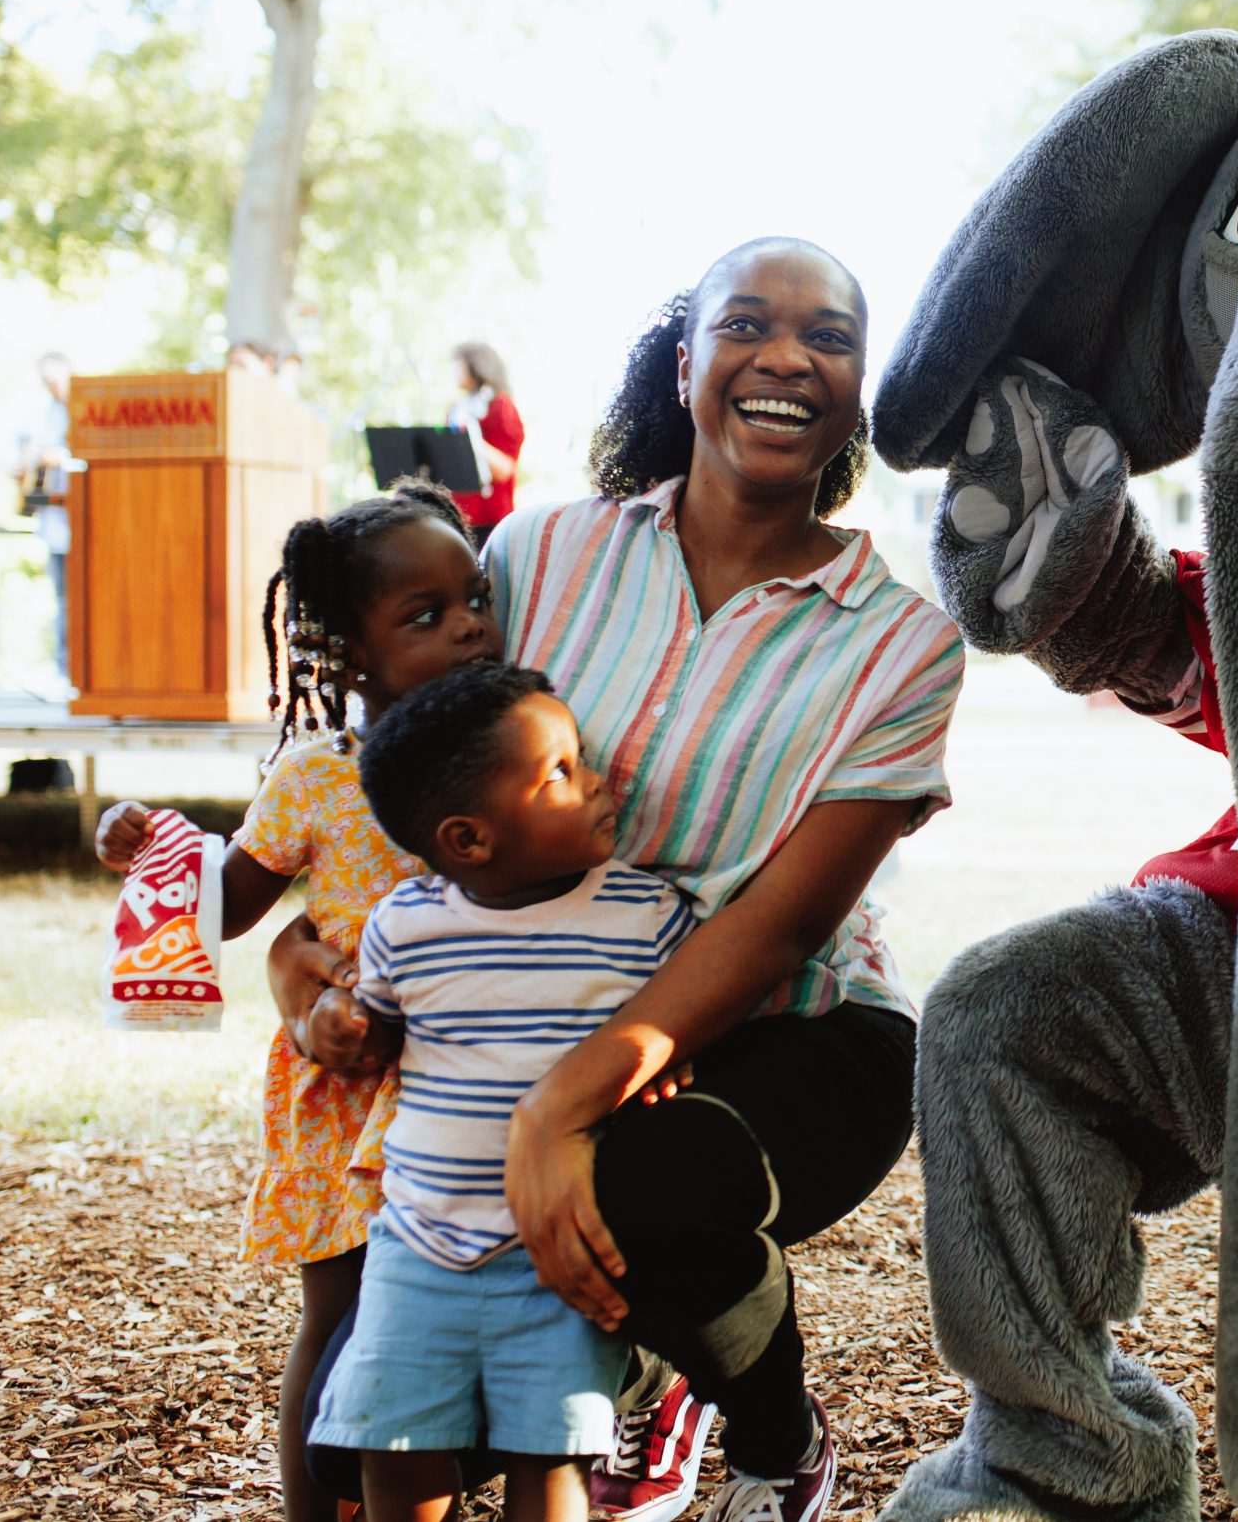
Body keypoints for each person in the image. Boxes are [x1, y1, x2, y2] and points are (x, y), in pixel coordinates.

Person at [274, 238, 964, 1522]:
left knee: (650, 1186)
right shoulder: (535, 560)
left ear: (860, 387)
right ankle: (638, 1357)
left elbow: (784, 923)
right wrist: (298, 959)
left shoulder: (904, 642)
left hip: (795, 1031)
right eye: (745, 323)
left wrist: (556, 1113)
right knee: (353, 1460)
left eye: (829, 337)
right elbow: (412, 788)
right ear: (685, 361)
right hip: (534, 1000)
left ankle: (771, 1435)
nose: (784, 356)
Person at [95, 480, 502, 1522]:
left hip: (469, 1084)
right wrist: (152, 843)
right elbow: (232, 905)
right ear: (352, 656)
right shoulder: (319, 775)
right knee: (339, 1318)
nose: (467, 627)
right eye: (425, 616)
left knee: (455, 1321)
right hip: (345, 1094)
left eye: (474, 599)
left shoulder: (513, 754)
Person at [317, 663, 698, 1522]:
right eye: (560, 771)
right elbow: (369, 1035)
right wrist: (334, 1025)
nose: (597, 779)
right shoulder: (407, 926)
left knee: (550, 1452)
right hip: (417, 1246)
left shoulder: (647, 917)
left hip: (556, 1251)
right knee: (396, 1445)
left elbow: (691, 1024)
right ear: (469, 839)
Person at [12, 351, 73, 682]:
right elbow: (23, 452)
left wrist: (59, 458)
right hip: (54, 524)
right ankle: (63, 671)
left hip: (88, 522)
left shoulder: (84, 410)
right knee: (62, 601)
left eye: (56, 380)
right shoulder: (40, 415)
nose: (52, 388)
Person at [446, 341, 525, 539]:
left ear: (476, 365)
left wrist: (468, 439)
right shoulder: (457, 409)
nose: (454, 370)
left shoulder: (500, 407)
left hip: (490, 521)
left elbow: (504, 470)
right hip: (458, 517)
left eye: (458, 364)